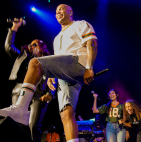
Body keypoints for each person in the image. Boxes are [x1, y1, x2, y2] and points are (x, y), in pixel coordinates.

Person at [0, 4, 98, 142]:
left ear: (71, 12)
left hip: (77, 63)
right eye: (56, 11)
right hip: (66, 76)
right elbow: (58, 62)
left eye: (61, 9)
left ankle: (21, 108)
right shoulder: (57, 38)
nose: (58, 12)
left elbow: (92, 43)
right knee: (66, 113)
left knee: (35, 62)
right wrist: (51, 76)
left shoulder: (80, 24)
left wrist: (89, 67)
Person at [4, 18, 53, 142]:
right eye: (30, 44)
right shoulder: (23, 56)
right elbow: (8, 47)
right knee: (17, 123)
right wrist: (14, 28)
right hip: (19, 92)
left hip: (38, 95)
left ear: (43, 48)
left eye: (35, 44)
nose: (31, 46)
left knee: (33, 125)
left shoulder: (48, 60)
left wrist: (49, 93)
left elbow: (54, 78)